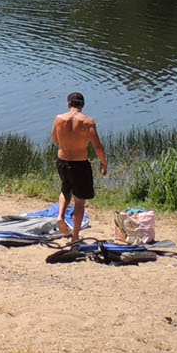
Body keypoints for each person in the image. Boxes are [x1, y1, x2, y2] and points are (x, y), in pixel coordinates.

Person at [51, 91, 107, 245]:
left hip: (62, 161)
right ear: (82, 105)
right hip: (80, 163)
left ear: (69, 104)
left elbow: (55, 139)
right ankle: (75, 237)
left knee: (65, 190)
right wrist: (104, 162)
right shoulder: (87, 122)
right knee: (80, 202)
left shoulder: (59, 119)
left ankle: (60, 217)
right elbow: (97, 146)